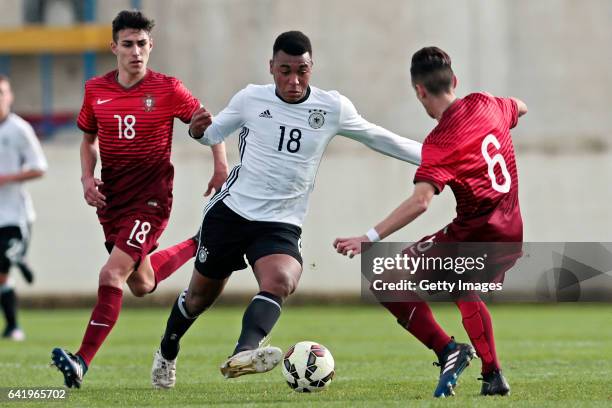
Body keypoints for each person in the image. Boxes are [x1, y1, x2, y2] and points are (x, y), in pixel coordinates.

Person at [149, 30, 422, 389]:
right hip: (231, 212)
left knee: (282, 280)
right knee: (199, 297)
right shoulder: (250, 99)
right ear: (271, 68)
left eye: (302, 71)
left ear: (312, 68)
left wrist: (442, 159)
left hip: (280, 221)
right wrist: (198, 133)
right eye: (285, 70)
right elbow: (213, 135)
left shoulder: (332, 108)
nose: (293, 80)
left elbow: (380, 137)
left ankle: (244, 352)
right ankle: (167, 350)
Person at [334, 46, 527, 397]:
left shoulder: (440, 143)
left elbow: (421, 201)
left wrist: (368, 237)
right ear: (454, 80)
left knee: (384, 274)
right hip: (511, 230)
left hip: (474, 232)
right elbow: (519, 105)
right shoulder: (486, 103)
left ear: (419, 91)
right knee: (462, 286)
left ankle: (449, 349)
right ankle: (492, 375)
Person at [50, 10, 228, 389]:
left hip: (151, 198)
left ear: (151, 46)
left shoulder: (168, 89)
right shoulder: (96, 90)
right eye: (128, 44)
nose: (136, 52)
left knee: (111, 273)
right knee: (141, 283)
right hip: (113, 199)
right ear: (113, 46)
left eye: (142, 44)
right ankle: (198, 243)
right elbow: (87, 139)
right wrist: (86, 178)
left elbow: (208, 122)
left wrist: (220, 164)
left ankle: (81, 360)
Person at [0, 74, 48, 341]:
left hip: (15, 214)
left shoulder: (19, 129)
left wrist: (8, 178)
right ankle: (12, 327)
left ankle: (18, 253)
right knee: (2, 275)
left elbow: (40, 167)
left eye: (1, 92)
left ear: (10, 96)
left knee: (4, 255)